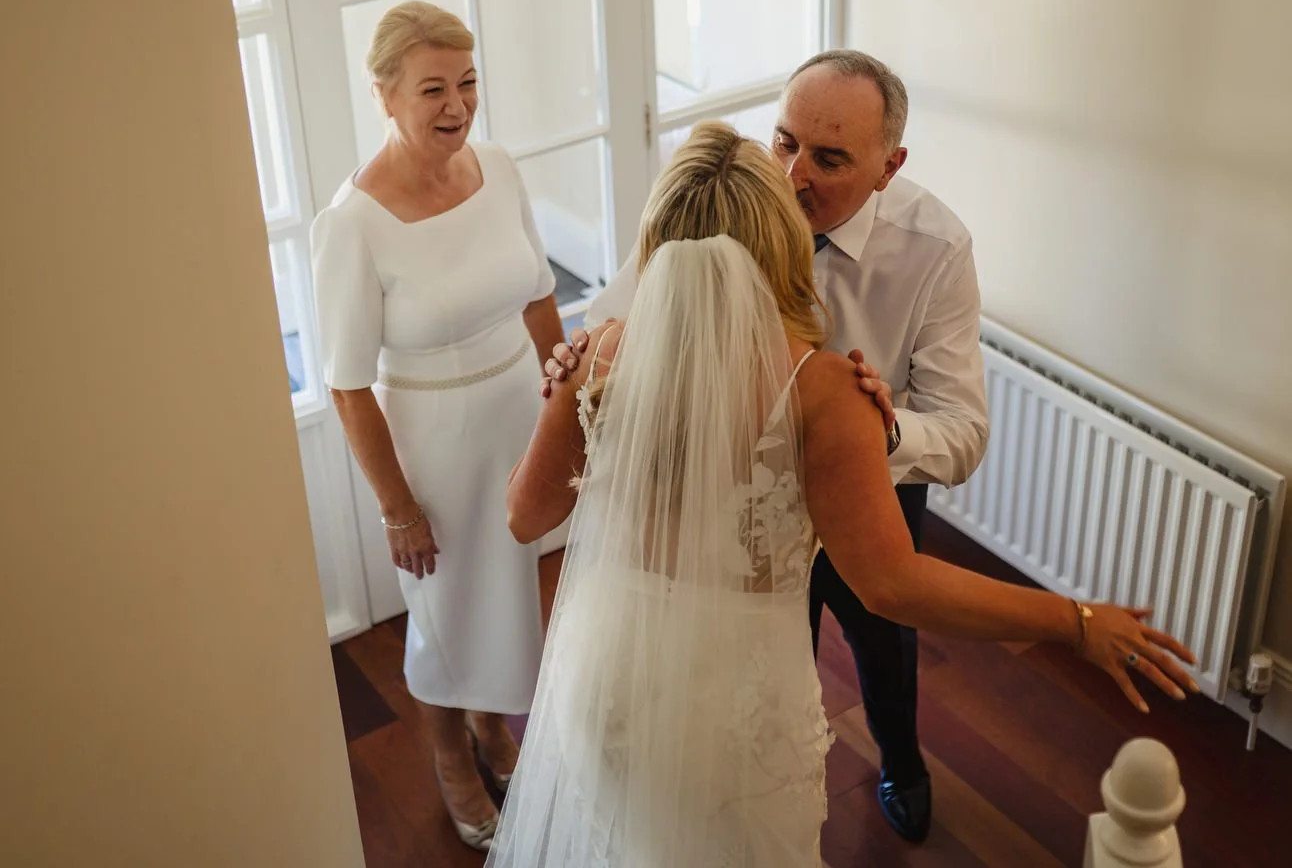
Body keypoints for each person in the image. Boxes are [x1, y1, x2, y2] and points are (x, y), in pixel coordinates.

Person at [487, 122, 1197, 867]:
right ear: (779, 239)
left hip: (610, 678)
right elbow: (893, 585)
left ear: (658, 245)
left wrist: (564, 397)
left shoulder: (598, 354)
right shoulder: (826, 391)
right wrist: (1074, 622)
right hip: (736, 705)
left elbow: (523, 514)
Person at [548, 49, 983, 841]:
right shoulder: (731, 205)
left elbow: (963, 431)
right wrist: (579, 359)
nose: (792, 175)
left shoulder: (937, 249)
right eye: (784, 142)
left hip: (873, 483)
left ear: (890, 166)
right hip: (735, 487)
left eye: (829, 158)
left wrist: (878, 429)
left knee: (884, 640)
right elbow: (623, 311)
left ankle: (901, 761)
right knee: (767, 648)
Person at [309, 1, 565, 851]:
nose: (456, 106)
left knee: (511, 589)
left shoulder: (497, 167)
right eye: (432, 90)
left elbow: (537, 294)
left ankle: (495, 728)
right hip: (435, 445)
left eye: (467, 83)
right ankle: (451, 750)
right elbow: (348, 388)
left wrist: (571, 400)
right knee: (448, 605)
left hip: (521, 419)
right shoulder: (352, 224)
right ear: (384, 95)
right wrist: (397, 507)